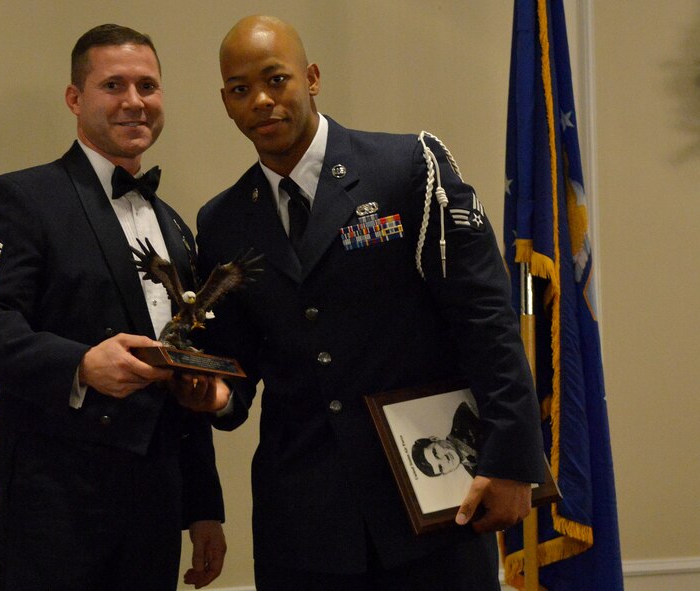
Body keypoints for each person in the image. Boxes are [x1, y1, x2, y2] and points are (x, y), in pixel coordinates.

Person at [184, 15, 547, 590]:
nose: (260, 100)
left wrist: (511, 458)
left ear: (312, 78)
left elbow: (484, 319)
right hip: (303, 520)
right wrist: (216, 395)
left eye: (276, 79)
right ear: (225, 102)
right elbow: (238, 362)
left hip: (431, 505)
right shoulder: (223, 221)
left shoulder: (407, 168)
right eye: (239, 89)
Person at [0, 24, 226, 591]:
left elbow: (183, 359)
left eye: (147, 86)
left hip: (154, 506)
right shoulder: (22, 197)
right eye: (113, 85)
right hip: (53, 505)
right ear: (76, 99)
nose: (133, 102)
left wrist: (202, 507)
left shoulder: (175, 226)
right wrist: (80, 365)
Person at [412, 402, 482, 478]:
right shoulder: (477, 475)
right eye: (440, 467)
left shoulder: (465, 414)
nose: (445, 460)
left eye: (435, 453)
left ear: (434, 439)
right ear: (446, 473)